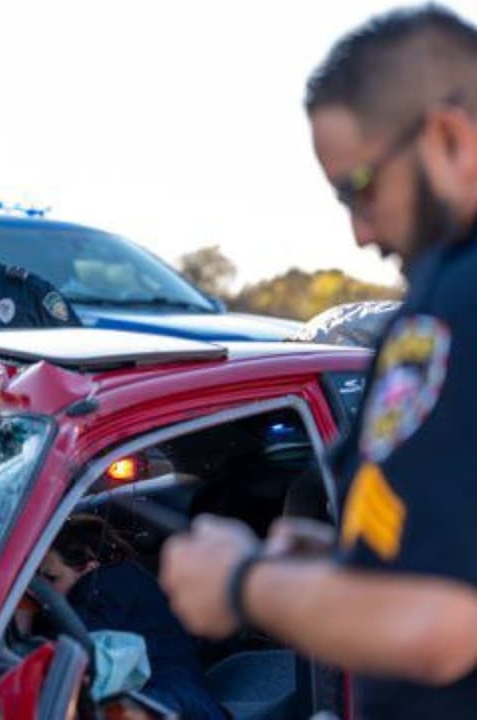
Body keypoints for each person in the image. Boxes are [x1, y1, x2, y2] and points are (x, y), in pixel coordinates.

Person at [159, 7, 477, 718]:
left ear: (449, 138)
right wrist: (340, 564)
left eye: (358, 188)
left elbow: (444, 626)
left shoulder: (458, 302)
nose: (360, 231)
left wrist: (241, 583)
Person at [27, 515, 224, 720]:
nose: (44, 588)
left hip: (169, 694)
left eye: (51, 578)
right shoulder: (119, 578)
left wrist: (27, 616)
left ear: (88, 567)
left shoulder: (103, 585)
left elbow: (76, 639)